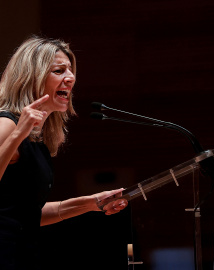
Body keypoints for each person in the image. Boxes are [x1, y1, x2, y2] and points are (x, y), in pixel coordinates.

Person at [0, 36, 128, 270]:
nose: (70, 78)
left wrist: (90, 204)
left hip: (22, 254)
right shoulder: (7, 124)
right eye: (59, 71)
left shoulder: (37, 137)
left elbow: (28, 213)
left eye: (70, 70)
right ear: (33, 78)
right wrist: (18, 134)